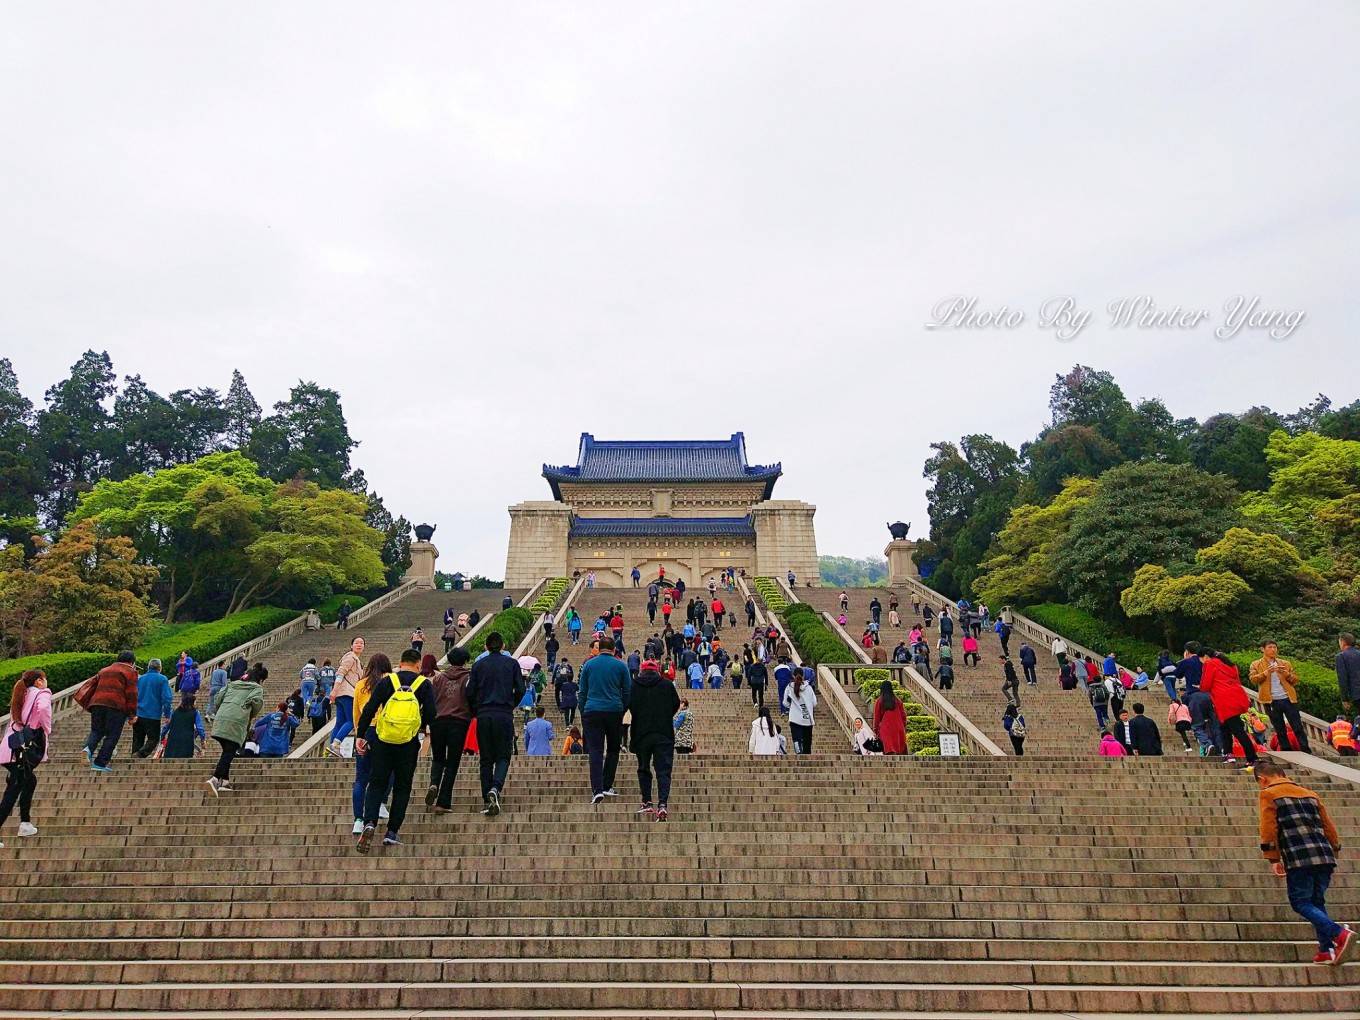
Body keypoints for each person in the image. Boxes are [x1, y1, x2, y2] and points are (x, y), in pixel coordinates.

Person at [1255, 761, 1353, 965]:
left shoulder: (1268, 794)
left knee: (1300, 901)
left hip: (1299, 856)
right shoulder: (1310, 793)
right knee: (1317, 901)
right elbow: (1328, 824)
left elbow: (1268, 827)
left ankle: (1339, 934)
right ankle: (1326, 949)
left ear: (1262, 779)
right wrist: (1334, 847)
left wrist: (1273, 857)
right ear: (1283, 774)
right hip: (1324, 855)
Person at [353, 650, 435, 852]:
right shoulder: (424, 684)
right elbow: (432, 714)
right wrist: (421, 727)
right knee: (402, 787)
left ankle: (369, 822)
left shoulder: (387, 681)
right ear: (417, 664)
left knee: (376, 783)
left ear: (400, 663)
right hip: (408, 743)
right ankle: (392, 832)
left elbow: (370, 709)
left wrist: (360, 736)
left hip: (383, 740)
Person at [465, 631, 525, 817]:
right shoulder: (512, 664)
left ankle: (486, 797)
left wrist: (476, 710)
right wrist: (511, 704)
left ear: (486, 646)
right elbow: (521, 689)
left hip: (483, 714)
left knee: (485, 758)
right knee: (503, 756)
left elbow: (469, 692)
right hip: (504, 714)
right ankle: (495, 788)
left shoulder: (478, 665)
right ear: (503, 646)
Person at [578, 636, 632, 805]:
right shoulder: (621, 666)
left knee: (595, 750)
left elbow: (582, 692)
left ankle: (597, 789)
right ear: (614, 649)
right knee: (613, 749)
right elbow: (628, 692)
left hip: (592, 710)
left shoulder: (588, 665)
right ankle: (607, 784)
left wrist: (583, 710)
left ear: (599, 648)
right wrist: (622, 708)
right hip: (614, 710)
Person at [0, 669, 51, 845]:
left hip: (12, 746)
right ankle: (23, 823)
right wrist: (45, 728)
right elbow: (44, 708)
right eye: (44, 679)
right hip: (24, 748)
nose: (45, 682)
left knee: (29, 781)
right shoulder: (42, 692)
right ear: (38, 681)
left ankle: (25, 823)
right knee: (14, 788)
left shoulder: (22, 693)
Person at [630, 658, 680, 820]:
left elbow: (628, 704)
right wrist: (665, 715)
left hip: (641, 733)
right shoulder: (666, 685)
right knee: (663, 771)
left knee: (644, 768)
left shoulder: (634, 685)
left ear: (642, 670)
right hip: (663, 733)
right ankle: (663, 804)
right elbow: (676, 704)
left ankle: (647, 802)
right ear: (657, 670)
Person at [206, 663, 265, 795]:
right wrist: (248, 714)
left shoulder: (233, 684)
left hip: (221, 719)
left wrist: (223, 710)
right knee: (229, 751)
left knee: (228, 750)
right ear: (260, 679)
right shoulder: (257, 688)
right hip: (237, 721)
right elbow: (257, 705)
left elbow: (218, 698)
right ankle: (215, 778)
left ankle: (225, 782)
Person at [426, 646, 473, 812]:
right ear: (465, 660)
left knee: (438, 758)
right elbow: (472, 697)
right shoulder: (468, 677)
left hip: (438, 721)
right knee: (452, 762)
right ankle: (443, 801)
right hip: (459, 722)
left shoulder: (438, 678)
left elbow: (431, 700)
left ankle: (433, 784)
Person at [1249, 641, 1313, 754]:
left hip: (1288, 698)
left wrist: (1286, 674)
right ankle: (1286, 749)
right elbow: (1253, 679)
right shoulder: (1256, 664)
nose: (1273, 649)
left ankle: (1305, 748)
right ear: (1262, 649)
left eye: (1275, 647)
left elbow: (1295, 680)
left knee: (1297, 725)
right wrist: (1266, 672)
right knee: (1279, 728)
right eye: (1270, 647)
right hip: (1271, 700)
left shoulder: (1285, 663)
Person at [1198, 649, 1257, 768]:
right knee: (1224, 728)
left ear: (1205, 657)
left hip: (1224, 700)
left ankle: (1252, 758)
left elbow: (1205, 685)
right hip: (1236, 697)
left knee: (1237, 730)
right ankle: (1228, 754)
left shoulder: (1210, 663)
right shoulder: (1229, 664)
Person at [82, 651, 139, 773]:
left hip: (97, 704)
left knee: (96, 730)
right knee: (112, 735)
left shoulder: (104, 670)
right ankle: (100, 763)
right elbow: (131, 693)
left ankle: (88, 749)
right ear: (132, 662)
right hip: (116, 706)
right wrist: (132, 714)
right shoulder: (130, 671)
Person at [329, 637, 365, 757]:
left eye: (361, 643)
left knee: (340, 722)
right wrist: (334, 690)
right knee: (352, 721)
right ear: (351, 645)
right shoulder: (351, 657)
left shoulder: (357, 660)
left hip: (342, 693)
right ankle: (336, 744)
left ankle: (331, 749)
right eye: (356, 643)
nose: (359, 645)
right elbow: (340, 673)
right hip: (347, 693)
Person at [132, 658, 174, 758]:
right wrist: (167, 715)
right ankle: (139, 755)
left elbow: (133, 696)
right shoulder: (162, 679)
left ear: (148, 667)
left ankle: (134, 758)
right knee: (153, 739)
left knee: (137, 739)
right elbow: (167, 699)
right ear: (160, 668)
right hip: (153, 715)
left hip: (138, 714)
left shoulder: (140, 679)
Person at [160, 694, 205, 759]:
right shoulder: (195, 712)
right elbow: (200, 728)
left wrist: (162, 735)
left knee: (170, 760)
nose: (196, 703)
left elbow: (167, 726)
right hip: (187, 741)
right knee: (185, 760)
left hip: (172, 740)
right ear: (192, 702)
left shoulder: (174, 712)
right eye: (195, 701)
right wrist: (202, 739)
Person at [783, 671, 817, 754]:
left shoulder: (789, 687)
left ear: (793, 675)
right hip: (807, 719)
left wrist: (791, 706)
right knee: (807, 743)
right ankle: (807, 759)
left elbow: (785, 702)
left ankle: (798, 753)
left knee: (796, 739)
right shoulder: (808, 688)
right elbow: (814, 703)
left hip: (794, 718)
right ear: (803, 675)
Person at [872, 680, 908, 755]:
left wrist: (875, 730)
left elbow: (877, 717)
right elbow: (903, 716)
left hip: (886, 728)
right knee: (899, 750)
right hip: (898, 727)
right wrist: (903, 726)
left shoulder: (879, 701)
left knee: (888, 750)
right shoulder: (897, 701)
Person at [1338, 633, 1360, 715]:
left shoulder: (1341, 656)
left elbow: (1342, 679)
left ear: (1343, 642)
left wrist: (1344, 699)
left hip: (1356, 695)